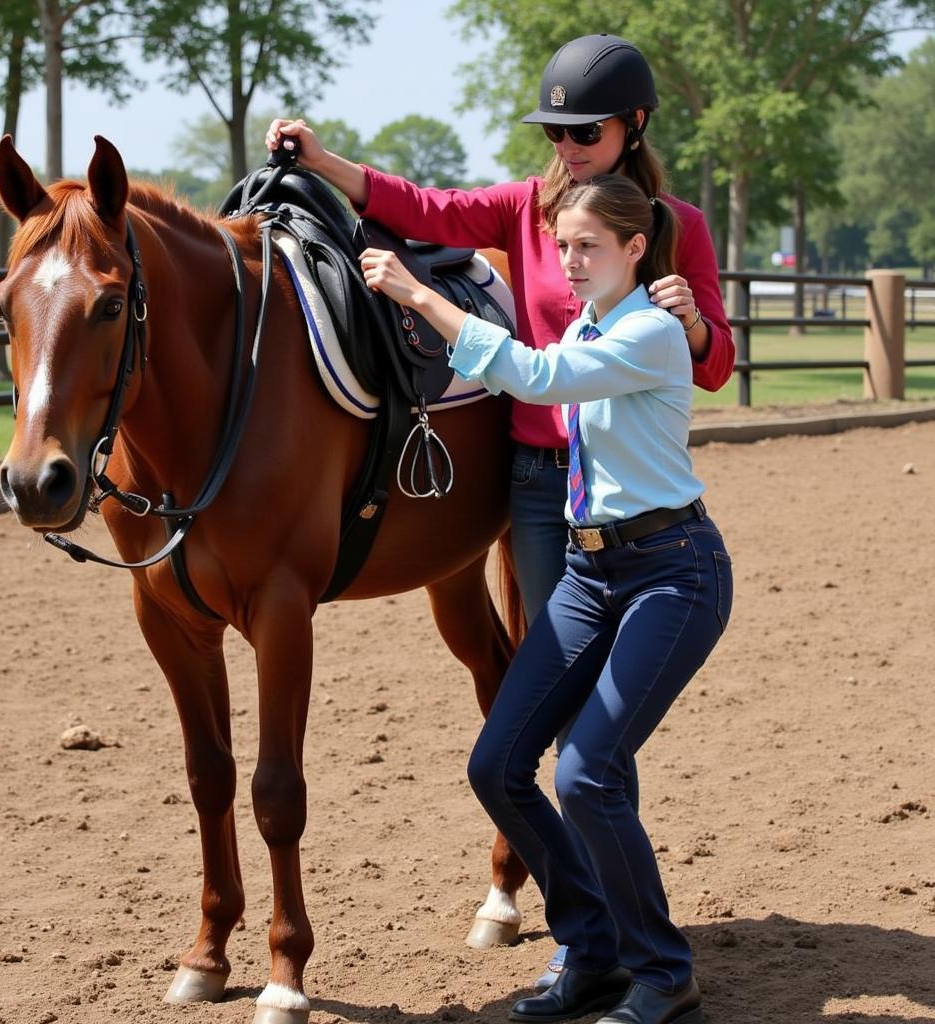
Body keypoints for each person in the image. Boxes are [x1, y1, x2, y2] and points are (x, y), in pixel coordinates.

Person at [267, 32, 734, 989]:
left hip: (634, 500)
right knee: (545, 719)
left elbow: (714, 362)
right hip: (541, 485)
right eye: (555, 129)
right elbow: (425, 206)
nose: (565, 145)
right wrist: (326, 163)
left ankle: (624, 944)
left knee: (591, 745)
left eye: (584, 129)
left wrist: (689, 324)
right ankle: (585, 934)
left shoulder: (676, 224)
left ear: (633, 125)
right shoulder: (529, 206)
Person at [359, 174, 731, 1024]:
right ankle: (592, 950)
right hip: (593, 573)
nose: (569, 261)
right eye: (562, 246)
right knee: (497, 765)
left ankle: (664, 971)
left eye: (589, 246)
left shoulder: (647, 331)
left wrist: (418, 292)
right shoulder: (599, 322)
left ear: (637, 250)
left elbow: (529, 376)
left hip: (672, 572)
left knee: (588, 772)